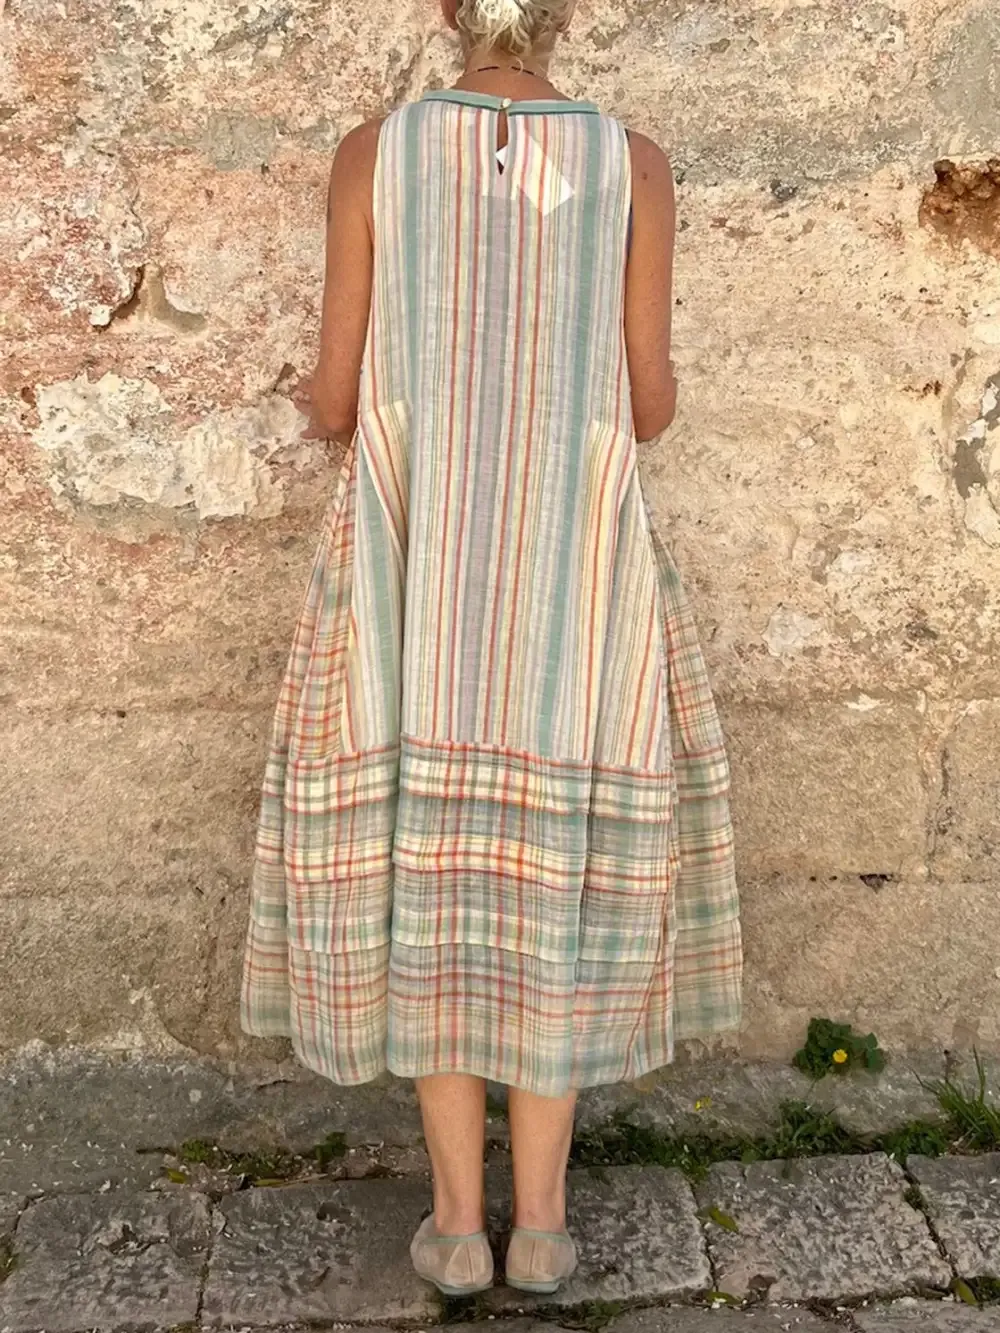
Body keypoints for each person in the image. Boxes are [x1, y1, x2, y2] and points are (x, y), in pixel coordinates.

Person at [240, 0, 742, 1299]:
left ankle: (458, 1226)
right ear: (565, 13)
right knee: (550, 880)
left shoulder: (377, 152)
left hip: (422, 577)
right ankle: (547, 1225)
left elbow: (337, 398)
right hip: (574, 573)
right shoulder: (632, 163)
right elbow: (649, 403)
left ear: (448, 12)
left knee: (437, 871)